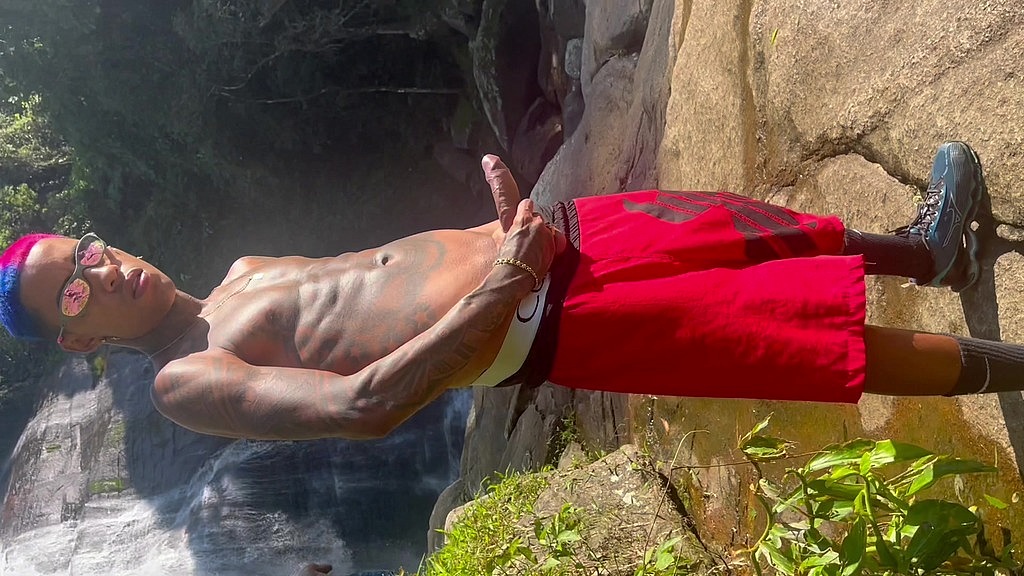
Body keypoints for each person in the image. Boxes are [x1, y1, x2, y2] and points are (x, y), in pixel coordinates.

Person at [0, 142, 1016, 440]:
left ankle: (930, 254)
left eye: (84, 252)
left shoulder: (234, 276)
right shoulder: (185, 382)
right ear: (77, 343)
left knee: (752, 232)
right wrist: (505, 285)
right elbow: (361, 406)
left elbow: (386, 280)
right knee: (794, 335)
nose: (102, 269)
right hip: (544, 312)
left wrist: (504, 236)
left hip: (540, 238)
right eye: (73, 295)